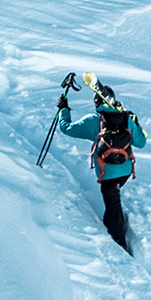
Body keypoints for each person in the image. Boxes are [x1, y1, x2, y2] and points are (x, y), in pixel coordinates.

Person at [57, 78, 146, 251]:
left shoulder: (93, 121)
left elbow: (66, 128)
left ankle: (119, 244)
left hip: (107, 173)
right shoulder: (125, 118)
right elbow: (141, 142)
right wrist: (135, 123)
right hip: (126, 169)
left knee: (112, 209)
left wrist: (63, 109)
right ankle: (118, 218)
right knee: (114, 196)